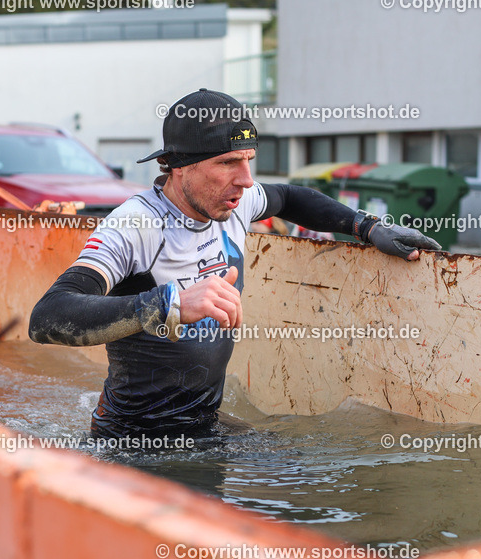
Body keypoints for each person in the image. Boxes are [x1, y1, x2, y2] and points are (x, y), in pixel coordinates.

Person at [29, 89, 440, 439]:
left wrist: (365, 226)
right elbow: (47, 318)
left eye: (248, 160)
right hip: (135, 440)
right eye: (228, 163)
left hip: (203, 424)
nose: (245, 179)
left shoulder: (234, 204)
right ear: (179, 166)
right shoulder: (137, 225)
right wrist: (168, 304)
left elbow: (290, 197)